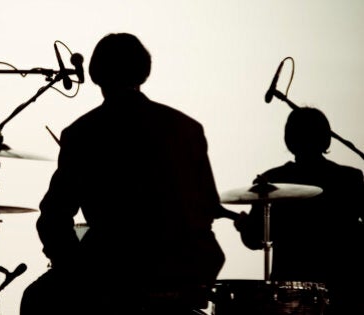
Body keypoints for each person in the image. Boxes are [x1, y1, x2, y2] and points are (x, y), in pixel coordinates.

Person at [20, 33, 225, 315]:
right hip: (183, 269)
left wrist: (73, 265)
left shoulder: (82, 133)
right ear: (144, 71)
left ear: (95, 74)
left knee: (36, 298)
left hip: (113, 271)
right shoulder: (187, 128)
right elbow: (206, 209)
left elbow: (53, 217)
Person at [234, 107, 364, 315]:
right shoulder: (350, 178)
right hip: (345, 292)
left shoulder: (272, 180)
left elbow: (255, 239)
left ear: (289, 140)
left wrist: (243, 227)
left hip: (291, 297)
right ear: (326, 138)